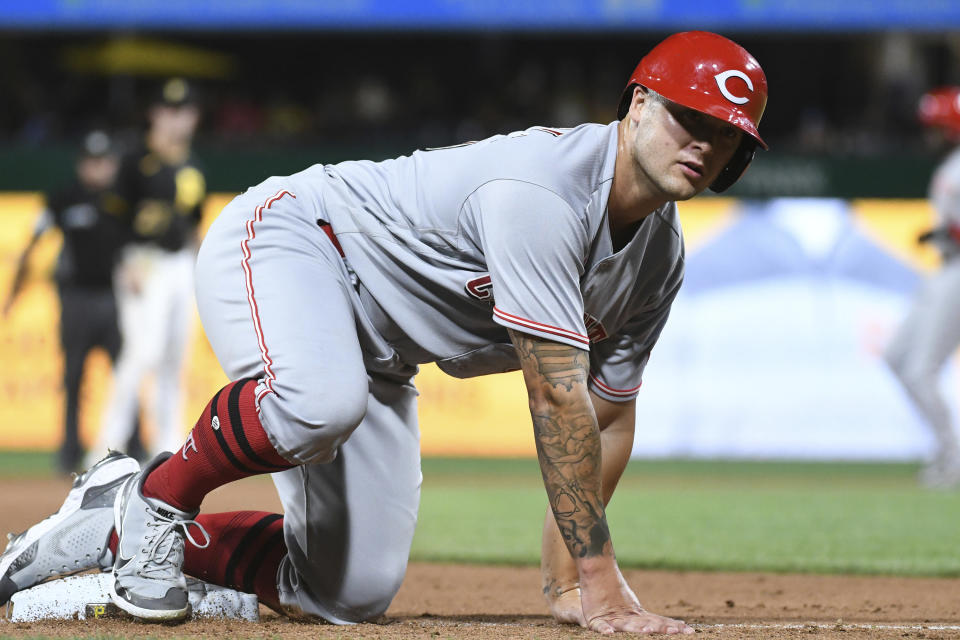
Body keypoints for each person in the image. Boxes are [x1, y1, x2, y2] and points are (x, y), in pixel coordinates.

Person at [1, 32, 767, 634]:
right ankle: (163, 499)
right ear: (636, 104)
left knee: (347, 593)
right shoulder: (543, 193)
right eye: (686, 117)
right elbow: (557, 400)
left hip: (384, 354)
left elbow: (606, 416)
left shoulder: (659, 260)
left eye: (726, 135)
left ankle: (111, 520)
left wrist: (570, 580)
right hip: (301, 240)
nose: (703, 142)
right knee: (317, 402)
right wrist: (606, 586)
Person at [3, 130, 144, 473]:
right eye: (92, 161)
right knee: (73, 376)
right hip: (77, 300)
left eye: (105, 161)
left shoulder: (122, 201)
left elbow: (136, 248)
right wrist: (12, 294)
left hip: (114, 300)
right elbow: (34, 242)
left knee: (126, 375)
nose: (99, 168)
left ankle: (137, 447)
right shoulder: (63, 198)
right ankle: (68, 453)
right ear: (82, 163)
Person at [85, 78, 207, 466]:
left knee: (175, 357)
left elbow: (191, 223)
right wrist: (124, 260)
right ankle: (106, 448)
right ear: (155, 114)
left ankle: (167, 450)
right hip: (143, 262)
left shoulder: (191, 166)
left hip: (179, 265)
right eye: (169, 111)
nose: (176, 119)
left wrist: (201, 262)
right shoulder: (135, 159)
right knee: (143, 353)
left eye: (184, 112)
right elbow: (111, 218)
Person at [884, 86, 960, 489]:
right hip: (947, 266)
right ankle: (948, 452)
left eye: (939, 126)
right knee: (897, 356)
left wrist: (946, 232)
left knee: (920, 369)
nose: (932, 134)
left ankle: (953, 457)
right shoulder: (951, 165)